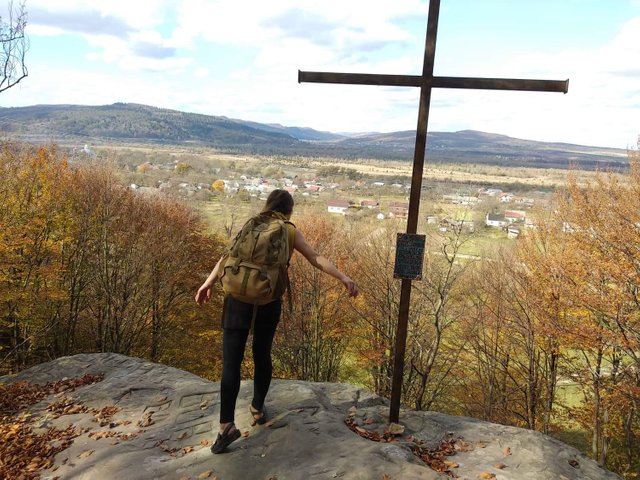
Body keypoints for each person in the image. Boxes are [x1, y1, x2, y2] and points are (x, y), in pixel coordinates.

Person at [195, 189, 358, 454]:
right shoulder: (289, 231)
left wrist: (207, 283)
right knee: (262, 354)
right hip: (268, 302)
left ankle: (226, 426)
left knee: (231, 362)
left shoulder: (252, 224)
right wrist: (343, 277)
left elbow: (227, 257)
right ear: (289, 211)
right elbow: (315, 257)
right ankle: (257, 408)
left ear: (268, 205)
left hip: (236, 299)